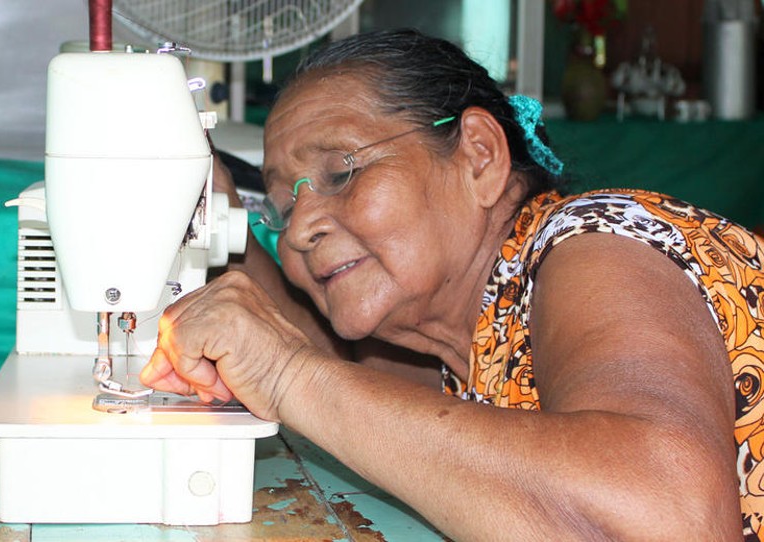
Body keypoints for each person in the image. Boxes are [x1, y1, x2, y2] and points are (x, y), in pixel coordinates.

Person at [140, 28, 763, 540]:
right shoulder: (460, 351)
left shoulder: (592, 242)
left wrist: (285, 374)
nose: (299, 227)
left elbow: (674, 519)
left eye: (342, 172)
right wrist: (229, 233)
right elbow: (350, 388)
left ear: (480, 157)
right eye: (281, 206)